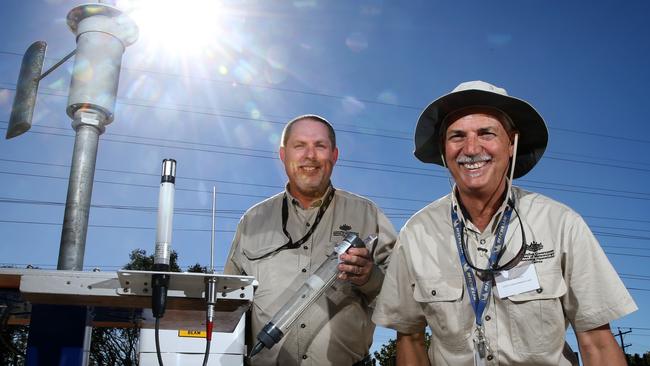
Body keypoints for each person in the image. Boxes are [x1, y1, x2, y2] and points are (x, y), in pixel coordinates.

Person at [372, 81, 637, 366]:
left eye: (486, 133)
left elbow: (597, 343)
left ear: (511, 143)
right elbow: (409, 338)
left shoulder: (561, 223)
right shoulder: (416, 234)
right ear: (443, 150)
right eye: (457, 136)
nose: (471, 148)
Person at [225, 114, 397, 366]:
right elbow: (230, 302)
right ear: (283, 155)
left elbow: (403, 298)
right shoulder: (252, 221)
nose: (310, 155)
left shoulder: (368, 215)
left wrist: (370, 278)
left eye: (320, 145)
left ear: (334, 155)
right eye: (299, 145)